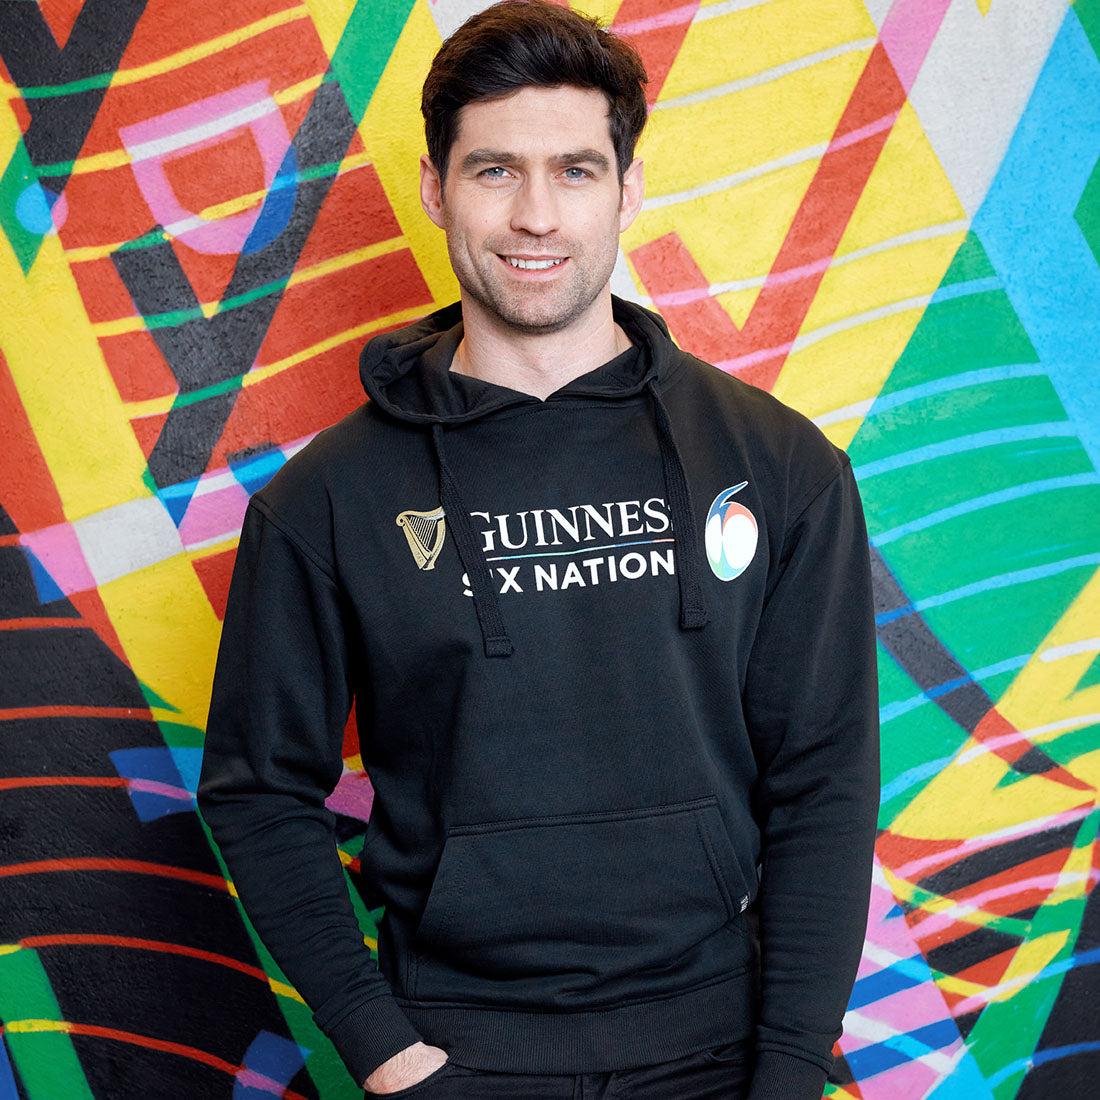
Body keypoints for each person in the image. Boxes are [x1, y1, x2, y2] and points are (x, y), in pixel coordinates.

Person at [198, 3, 880, 1097]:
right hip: (454, 1052)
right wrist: (388, 1056)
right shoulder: (325, 500)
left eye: (572, 170)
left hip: (724, 1047)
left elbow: (824, 783)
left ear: (627, 187)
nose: (534, 215)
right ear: (435, 188)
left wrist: (790, 1066)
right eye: (492, 171)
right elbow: (257, 789)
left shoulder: (776, 465)